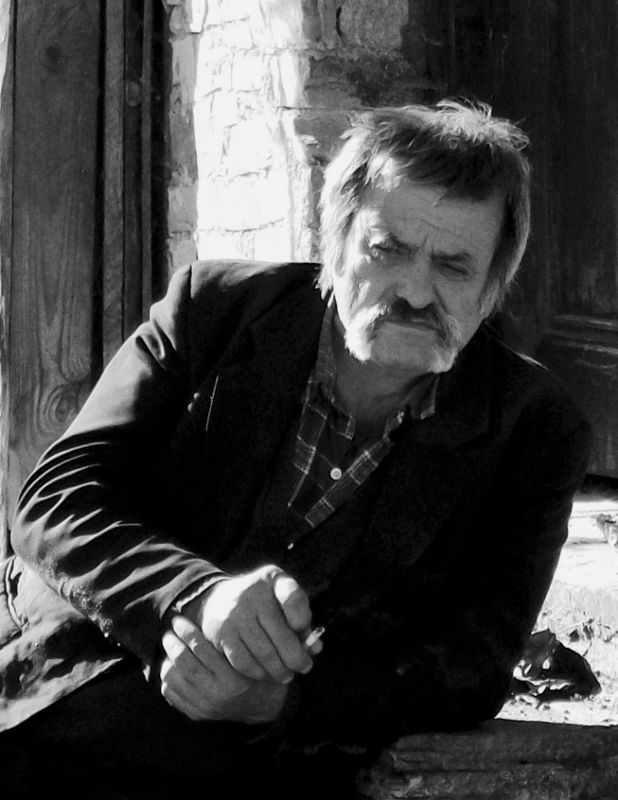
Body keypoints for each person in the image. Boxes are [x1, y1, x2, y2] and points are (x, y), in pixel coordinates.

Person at [0, 100, 591, 798]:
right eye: (387, 250)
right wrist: (192, 598)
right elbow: (58, 498)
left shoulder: (534, 427)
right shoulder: (212, 311)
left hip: (269, 760)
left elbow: (474, 665)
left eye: (454, 267)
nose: (414, 292)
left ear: (493, 289)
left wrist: (280, 703)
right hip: (73, 689)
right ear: (334, 244)